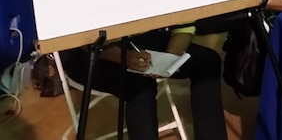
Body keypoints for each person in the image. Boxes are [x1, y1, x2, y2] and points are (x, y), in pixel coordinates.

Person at [61, 26, 228, 140]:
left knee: (207, 61)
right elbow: (81, 38)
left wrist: (172, 55)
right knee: (140, 84)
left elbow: (184, 24)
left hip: (142, 36)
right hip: (90, 51)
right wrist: (124, 57)